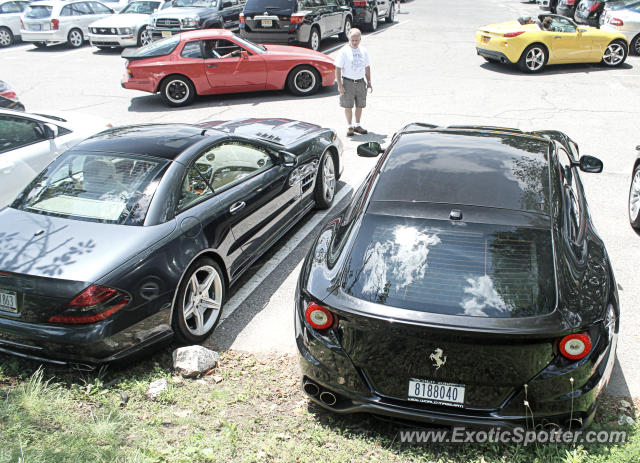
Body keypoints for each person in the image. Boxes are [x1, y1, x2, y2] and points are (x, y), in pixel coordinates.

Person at [335, 28, 372, 137]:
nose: (355, 42)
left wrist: (369, 81)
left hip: (360, 82)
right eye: (352, 40)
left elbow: (367, 66)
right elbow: (338, 68)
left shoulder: (364, 51)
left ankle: (357, 125)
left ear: (360, 39)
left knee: (360, 105)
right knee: (348, 105)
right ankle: (349, 126)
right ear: (349, 39)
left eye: (357, 40)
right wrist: (340, 85)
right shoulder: (344, 51)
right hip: (348, 82)